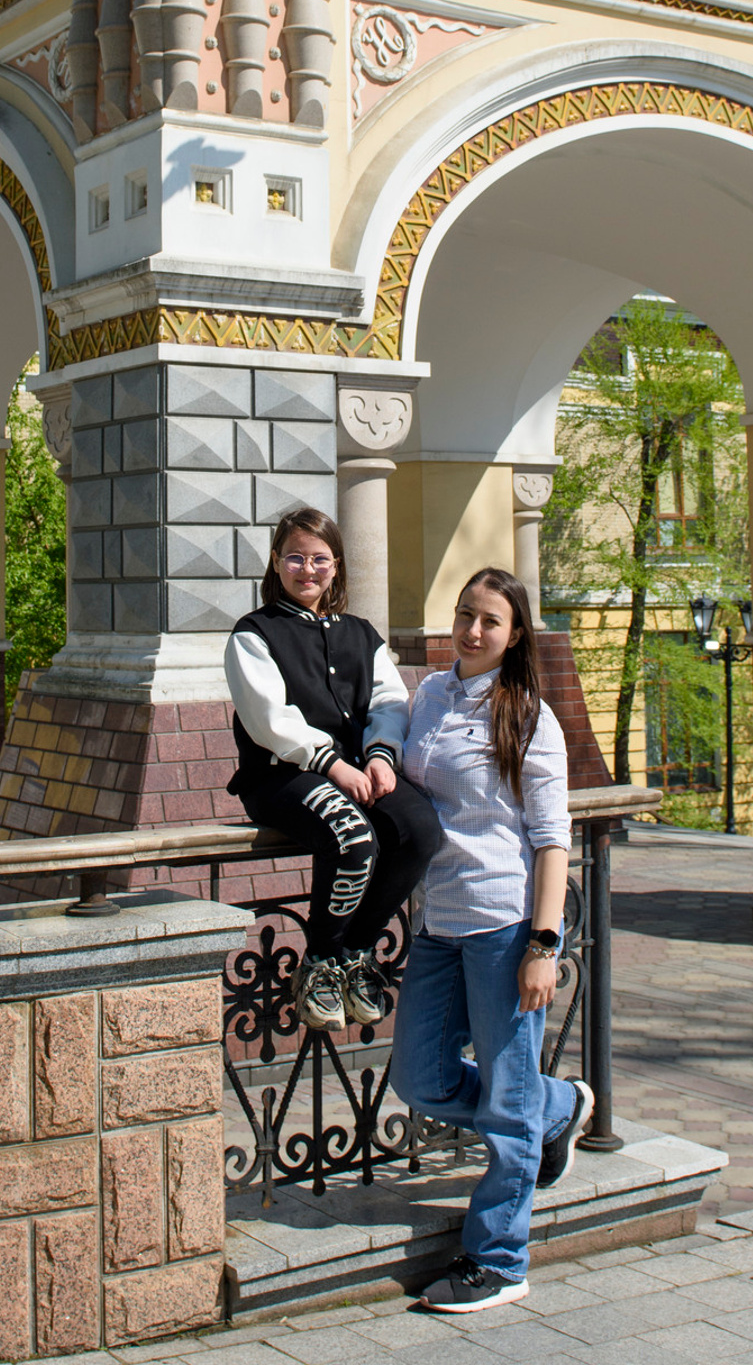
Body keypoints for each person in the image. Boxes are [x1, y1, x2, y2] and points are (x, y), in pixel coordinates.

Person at [374, 565, 596, 1313]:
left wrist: (544, 944)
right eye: (466, 614)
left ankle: (499, 1258)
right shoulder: (430, 695)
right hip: (437, 921)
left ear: (515, 634)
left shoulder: (531, 716)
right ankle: (557, 1108)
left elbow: (551, 838)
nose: (473, 630)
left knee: (505, 1103)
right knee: (420, 1077)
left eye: (490, 621)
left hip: (504, 925)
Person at [225, 506, 443, 1032]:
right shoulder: (254, 634)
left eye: (320, 559)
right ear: (276, 564)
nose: (308, 570)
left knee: (420, 830)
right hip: (284, 775)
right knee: (353, 837)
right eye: (295, 558)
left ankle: (356, 951)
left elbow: (390, 701)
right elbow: (267, 719)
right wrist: (331, 764)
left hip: (359, 768)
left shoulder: (361, 635)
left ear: (337, 566)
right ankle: (321, 961)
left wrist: (380, 754)